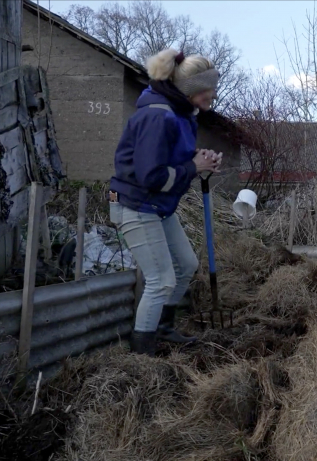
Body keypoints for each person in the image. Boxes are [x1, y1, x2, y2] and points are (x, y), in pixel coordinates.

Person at [108, 48, 223, 356]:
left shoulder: (181, 115)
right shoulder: (157, 116)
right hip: (135, 203)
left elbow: (174, 158)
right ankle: (141, 353)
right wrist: (192, 168)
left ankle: (164, 328)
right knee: (161, 279)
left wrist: (201, 160)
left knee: (187, 264)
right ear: (190, 88)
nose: (212, 95)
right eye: (208, 90)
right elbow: (150, 176)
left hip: (156, 205)